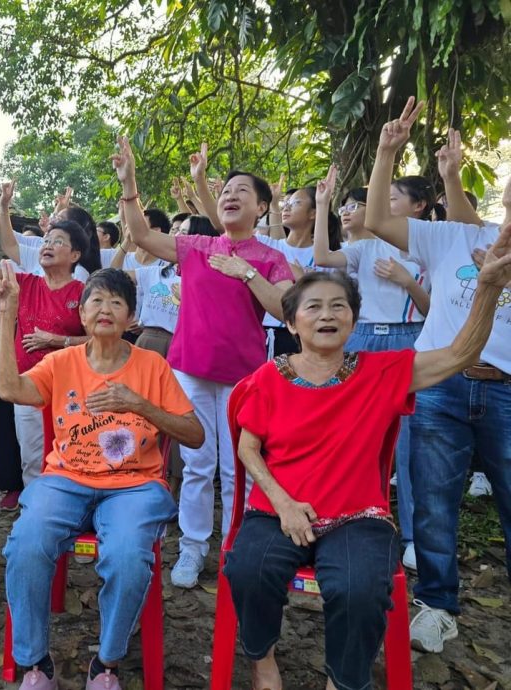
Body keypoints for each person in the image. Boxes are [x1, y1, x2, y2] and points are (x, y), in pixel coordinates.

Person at [223, 241, 511, 689]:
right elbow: (248, 448)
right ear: (291, 322)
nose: (327, 315)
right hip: (279, 509)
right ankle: (262, 661)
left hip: (358, 516)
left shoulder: (382, 371)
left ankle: (344, 679)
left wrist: (488, 288)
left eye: (339, 306)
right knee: (248, 571)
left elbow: (460, 355)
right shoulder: (269, 377)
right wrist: (283, 503)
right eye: (314, 306)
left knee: (360, 592)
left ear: (353, 321)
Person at [0, 265, 204, 690]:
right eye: (96, 300)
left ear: (131, 317)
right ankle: (36, 663)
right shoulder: (61, 361)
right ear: (83, 313)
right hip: (66, 479)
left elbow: (195, 434)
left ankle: (106, 664)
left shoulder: (153, 366)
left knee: (129, 556)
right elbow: (10, 390)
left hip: (134, 485)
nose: (105, 309)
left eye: (117, 302)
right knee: (26, 543)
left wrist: (141, 405)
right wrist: (7, 316)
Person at [113, 136, 295, 588]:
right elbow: (141, 235)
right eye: (226, 190)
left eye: (242, 192)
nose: (231, 196)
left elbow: (284, 310)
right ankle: (193, 549)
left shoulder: (272, 258)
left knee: (239, 467)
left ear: (261, 208)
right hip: (189, 372)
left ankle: (239, 547)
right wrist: (129, 183)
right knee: (197, 464)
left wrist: (247, 273)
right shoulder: (196, 246)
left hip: (243, 379)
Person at [364, 97, 511, 654]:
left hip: (507, 393)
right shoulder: (453, 237)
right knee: (431, 501)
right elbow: (377, 219)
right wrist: (385, 152)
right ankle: (438, 605)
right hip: (440, 389)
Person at [311, 166, 429, 571]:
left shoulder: (427, 248)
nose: (386, 204)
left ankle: (412, 536)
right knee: (351, 433)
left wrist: (408, 282)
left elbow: (433, 310)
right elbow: (323, 257)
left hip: (409, 338)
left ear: (418, 206)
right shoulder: (366, 247)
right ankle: (347, 521)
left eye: (394, 198)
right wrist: (324, 203)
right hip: (361, 340)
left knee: (410, 444)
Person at [0, 191, 88, 488]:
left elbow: (97, 339)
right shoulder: (25, 282)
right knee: (31, 455)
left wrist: (56, 340)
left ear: (75, 255)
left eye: (58, 242)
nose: (48, 246)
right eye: (45, 241)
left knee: (69, 453)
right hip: (26, 384)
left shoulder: (83, 292)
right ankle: (34, 513)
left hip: (69, 388)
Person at [257, 184, 343, 357]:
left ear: (313, 213)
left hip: (307, 338)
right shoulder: (266, 244)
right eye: (286, 202)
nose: (286, 206)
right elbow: (223, 229)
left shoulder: (330, 258)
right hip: (264, 333)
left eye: (296, 202)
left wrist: (303, 278)